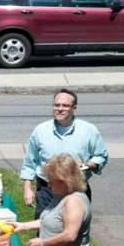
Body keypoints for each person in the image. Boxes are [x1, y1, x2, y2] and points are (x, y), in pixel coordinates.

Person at [21, 88, 108, 219]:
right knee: (44, 230)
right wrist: (27, 188)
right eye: (57, 105)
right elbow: (30, 162)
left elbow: (101, 156)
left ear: (74, 108)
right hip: (47, 190)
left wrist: (87, 165)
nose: (60, 109)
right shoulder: (40, 130)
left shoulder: (89, 130)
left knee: (74, 232)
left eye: (65, 106)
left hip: (76, 190)